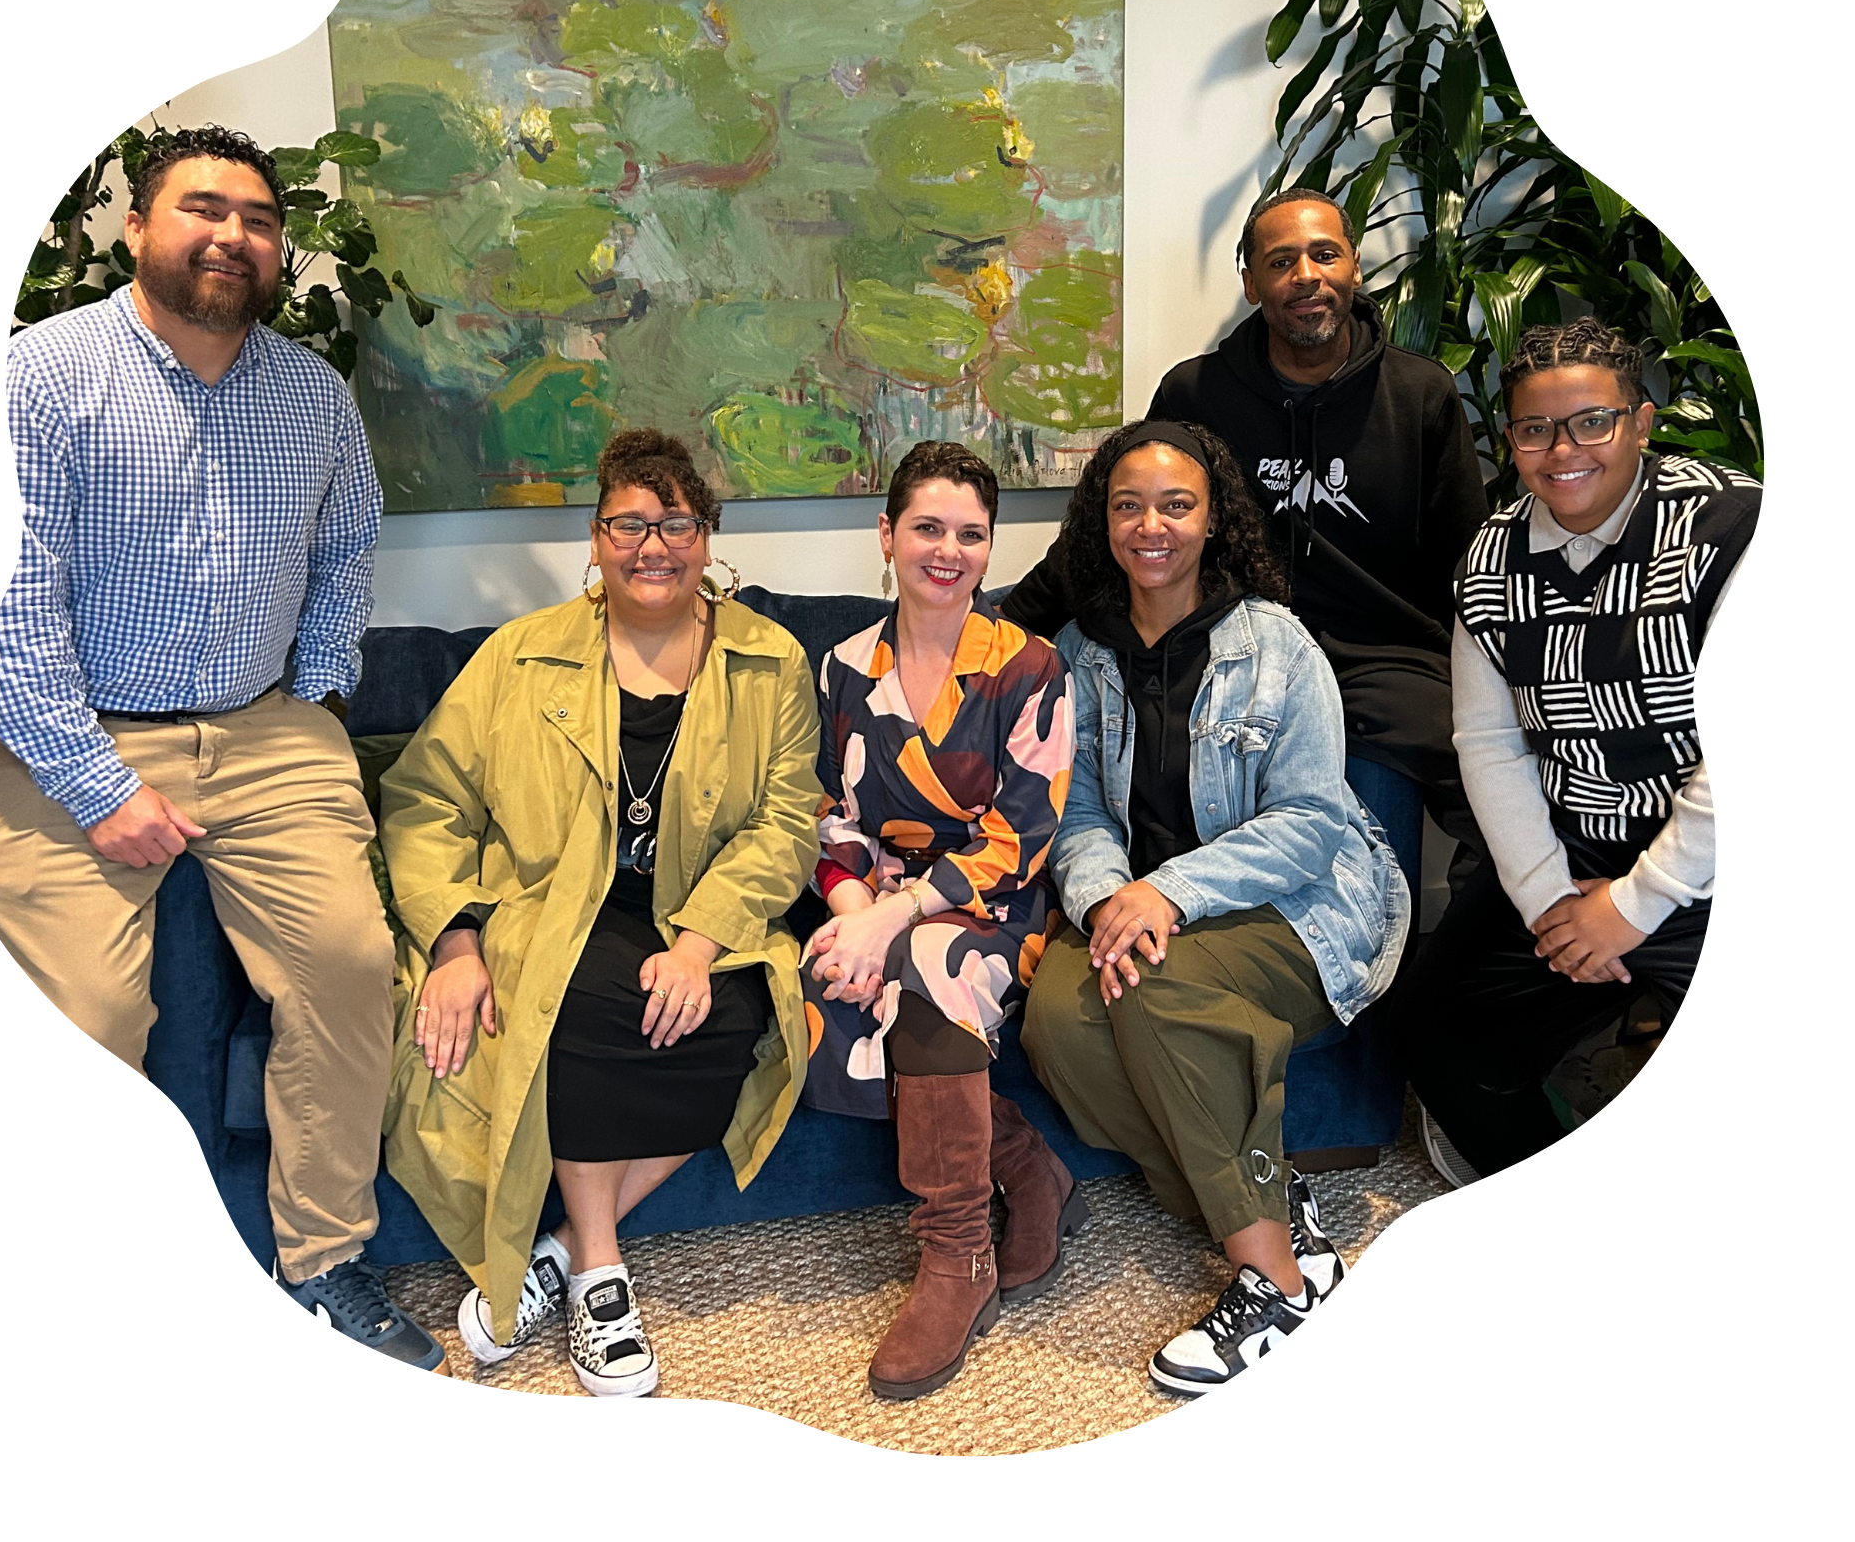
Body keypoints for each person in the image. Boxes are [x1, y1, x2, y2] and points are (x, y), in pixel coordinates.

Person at [0, 125, 440, 1368]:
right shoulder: (42, 374)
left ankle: (326, 1255)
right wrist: (89, 780)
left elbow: (346, 555)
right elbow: (9, 600)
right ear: (140, 228)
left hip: (267, 728)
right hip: (70, 725)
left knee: (344, 967)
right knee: (88, 1012)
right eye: (203, 208)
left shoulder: (309, 396)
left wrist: (323, 696)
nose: (234, 234)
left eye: (260, 218)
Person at [380, 430, 821, 1399]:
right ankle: (604, 1280)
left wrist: (701, 945)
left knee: (742, 1026)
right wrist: (455, 942)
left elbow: (787, 820)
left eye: (674, 523)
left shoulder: (768, 660)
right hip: (550, 906)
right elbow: (424, 802)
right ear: (595, 535)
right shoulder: (520, 656)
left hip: (705, 915)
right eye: (628, 522)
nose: (650, 545)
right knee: (579, 1009)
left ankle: (563, 1250)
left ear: (707, 538)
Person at [1019, 420, 1411, 1400]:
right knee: (1056, 1021)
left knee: (1150, 991)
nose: (1149, 525)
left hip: (1299, 910)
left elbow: (1313, 822)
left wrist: (1167, 892)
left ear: (1211, 520)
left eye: (1174, 504)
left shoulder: (1273, 646)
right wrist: (1109, 899)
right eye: (1126, 505)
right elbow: (1071, 812)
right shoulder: (1080, 651)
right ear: (1099, 522)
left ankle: (1273, 1285)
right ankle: (1273, 1203)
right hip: (1142, 907)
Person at [1001, 187, 1490, 912]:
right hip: (1235, 661)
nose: (1306, 275)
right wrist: (1000, 634)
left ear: (1354, 266)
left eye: (1325, 254)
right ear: (1252, 282)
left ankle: (1394, 1000)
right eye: (1281, 260)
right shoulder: (1198, 393)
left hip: (1380, 667)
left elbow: (1467, 566)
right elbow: (1127, 529)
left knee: (1439, 826)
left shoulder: (1420, 394)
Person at [1387, 319, 1761, 1184]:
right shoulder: (1490, 558)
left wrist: (1632, 907)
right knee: (1423, 1028)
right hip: (1579, 841)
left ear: (1642, 420)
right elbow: (1488, 742)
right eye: (1533, 430)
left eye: (1592, 421)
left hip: (1747, 859)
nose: (1563, 451)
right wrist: (1555, 902)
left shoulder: (1761, 527)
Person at [799, 441, 1079, 1401]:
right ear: (887, 536)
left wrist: (897, 917)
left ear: (991, 550)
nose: (947, 550)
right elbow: (829, 820)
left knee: (926, 968)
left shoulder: (1030, 668)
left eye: (970, 533)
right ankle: (1029, 1167)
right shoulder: (841, 668)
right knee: (823, 977)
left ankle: (957, 1254)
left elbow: (1022, 834)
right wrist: (852, 911)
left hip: (993, 908)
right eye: (927, 527)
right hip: (876, 900)